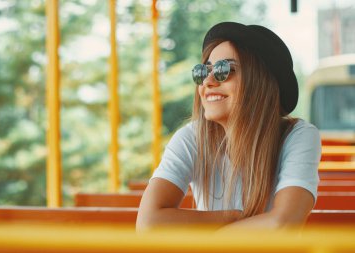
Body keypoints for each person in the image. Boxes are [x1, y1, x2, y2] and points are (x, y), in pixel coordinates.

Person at [136, 22, 321, 230]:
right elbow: (148, 224)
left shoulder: (298, 136)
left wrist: (211, 239)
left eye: (226, 69)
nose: (208, 81)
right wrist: (233, 218)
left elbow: (283, 224)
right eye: (203, 71)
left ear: (260, 81)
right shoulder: (191, 137)